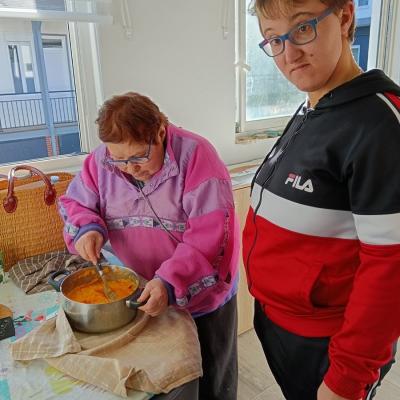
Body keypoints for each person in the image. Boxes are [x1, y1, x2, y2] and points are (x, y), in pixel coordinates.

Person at [243, 1, 400, 399]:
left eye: (302, 29)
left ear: (345, 17)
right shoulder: (313, 107)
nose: (289, 54)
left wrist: (347, 377)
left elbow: (392, 267)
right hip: (280, 322)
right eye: (273, 40)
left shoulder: (380, 124)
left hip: (328, 342)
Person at [58, 92, 239, 400]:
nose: (130, 168)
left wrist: (170, 282)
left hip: (198, 299)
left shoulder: (197, 156)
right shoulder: (102, 160)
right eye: (120, 160)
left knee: (210, 380)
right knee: (157, 382)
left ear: (160, 131)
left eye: (140, 157)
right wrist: (87, 229)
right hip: (138, 294)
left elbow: (209, 238)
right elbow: (76, 203)